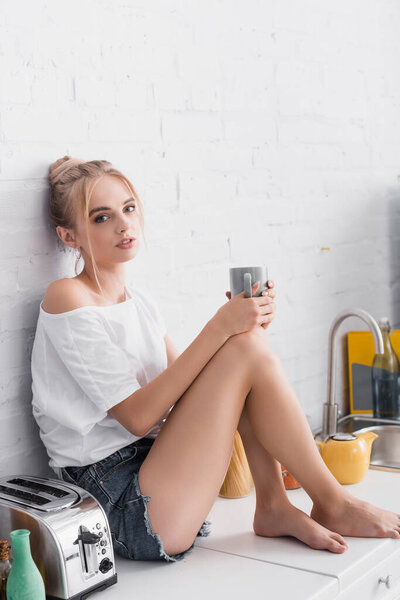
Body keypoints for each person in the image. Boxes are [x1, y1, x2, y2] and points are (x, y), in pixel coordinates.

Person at [31, 156, 400, 564]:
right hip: (117, 502)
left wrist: (241, 328)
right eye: (101, 217)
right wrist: (221, 330)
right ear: (69, 237)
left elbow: (195, 387)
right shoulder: (66, 296)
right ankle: (332, 501)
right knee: (238, 346)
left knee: (245, 346)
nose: (123, 224)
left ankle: (275, 504)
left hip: (158, 470)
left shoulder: (140, 304)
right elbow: (137, 416)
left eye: (129, 208)